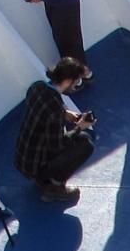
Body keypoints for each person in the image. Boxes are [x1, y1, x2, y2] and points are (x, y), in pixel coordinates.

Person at [12, 58, 94, 204]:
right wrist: (79, 127)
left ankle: (47, 179)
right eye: (76, 82)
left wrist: (67, 114)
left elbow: (45, 108)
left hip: (23, 158)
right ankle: (53, 186)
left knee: (81, 138)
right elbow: (58, 145)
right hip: (35, 166)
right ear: (68, 81)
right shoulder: (54, 110)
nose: (76, 85)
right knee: (85, 144)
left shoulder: (37, 87)